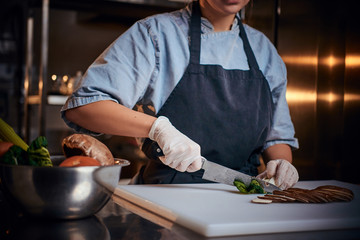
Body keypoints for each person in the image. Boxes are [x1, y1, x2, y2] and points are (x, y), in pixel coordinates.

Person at [61, 0, 299, 189]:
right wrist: (157, 129)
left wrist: (282, 165)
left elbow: (276, 137)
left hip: (242, 196)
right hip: (168, 193)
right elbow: (84, 107)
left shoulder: (264, 51)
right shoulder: (155, 34)